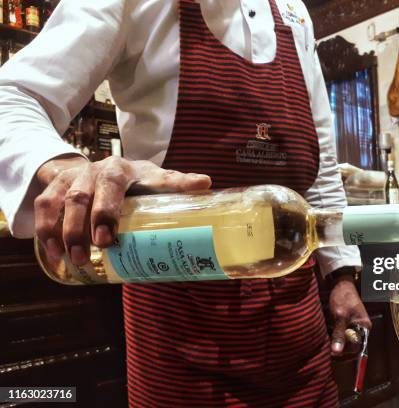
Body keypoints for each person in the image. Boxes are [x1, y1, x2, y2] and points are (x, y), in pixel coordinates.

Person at [0, 0, 372, 406]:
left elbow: (320, 170)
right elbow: (13, 97)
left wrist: (341, 276)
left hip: (298, 336)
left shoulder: (294, 12)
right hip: (181, 340)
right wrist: (66, 167)